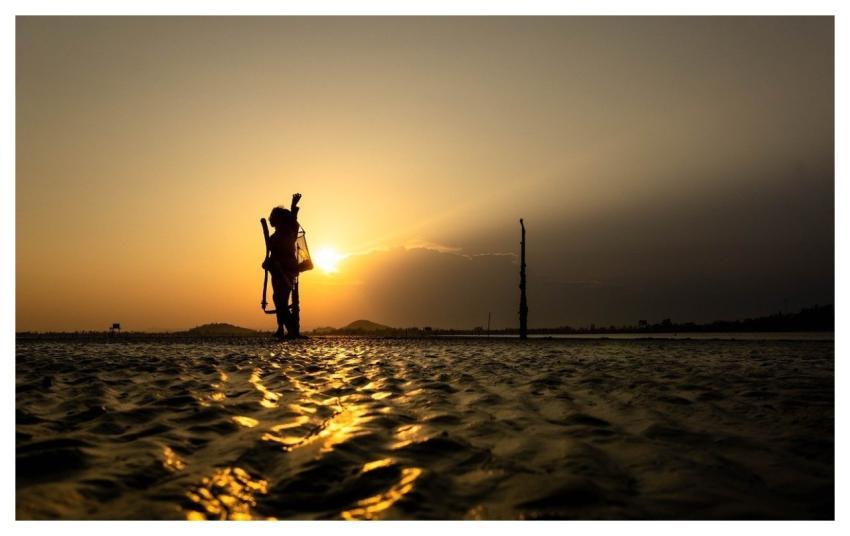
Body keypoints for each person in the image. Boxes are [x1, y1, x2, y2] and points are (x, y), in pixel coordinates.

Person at [263, 193, 302, 339]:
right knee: (277, 298)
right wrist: (267, 263)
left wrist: (293, 206)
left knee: (282, 299)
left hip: (287, 270)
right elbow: (271, 254)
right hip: (276, 271)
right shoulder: (274, 235)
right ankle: (281, 328)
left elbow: (293, 222)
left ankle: (292, 329)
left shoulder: (288, 232)